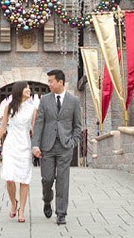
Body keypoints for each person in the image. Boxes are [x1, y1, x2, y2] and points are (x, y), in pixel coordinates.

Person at [32, 69, 82, 226]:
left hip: (65, 146)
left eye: (51, 81)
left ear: (60, 82)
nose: (49, 84)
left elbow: (77, 126)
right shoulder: (45, 100)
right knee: (47, 179)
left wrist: (73, 142)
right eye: (48, 81)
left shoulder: (73, 101)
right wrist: (35, 145)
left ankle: (61, 213)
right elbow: (39, 123)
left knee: (62, 180)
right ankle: (47, 200)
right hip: (47, 146)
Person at [0, 81, 37, 223]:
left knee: (24, 179)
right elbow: (3, 126)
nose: (29, 90)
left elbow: (34, 130)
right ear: (19, 90)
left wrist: (36, 146)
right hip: (11, 144)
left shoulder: (33, 109)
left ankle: (22, 210)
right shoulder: (9, 107)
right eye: (26, 88)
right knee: (9, 178)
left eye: (29, 89)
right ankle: (13, 202)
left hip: (24, 145)